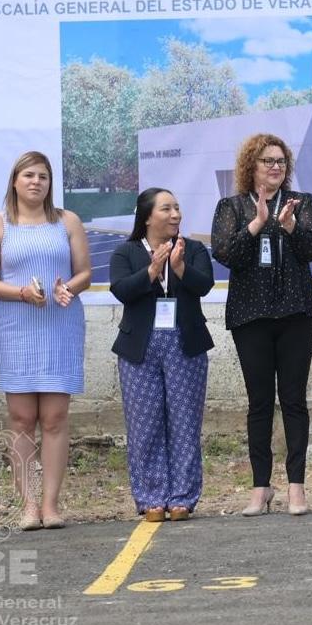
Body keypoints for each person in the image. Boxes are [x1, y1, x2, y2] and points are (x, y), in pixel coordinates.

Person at [211, 134, 312, 517]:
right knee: (259, 403)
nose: (275, 167)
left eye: (280, 161)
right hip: (251, 316)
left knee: (293, 400)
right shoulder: (231, 206)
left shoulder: (302, 203)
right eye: (266, 161)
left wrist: (290, 227)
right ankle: (261, 487)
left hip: (295, 313)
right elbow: (226, 253)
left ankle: (297, 486)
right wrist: (256, 225)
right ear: (251, 166)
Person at [0, 151, 91, 530]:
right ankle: (27, 505)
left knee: (55, 417)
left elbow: (85, 274)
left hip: (61, 326)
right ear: (14, 180)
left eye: (42, 176)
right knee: (22, 419)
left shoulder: (67, 221)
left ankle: (51, 505)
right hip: (17, 327)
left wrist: (67, 288)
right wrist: (21, 293)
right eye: (28, 175)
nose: (35, 182)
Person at [110, 188, 214, 522]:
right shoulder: (126, 252)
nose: (175, 215)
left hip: (185, 341)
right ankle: (151, 497)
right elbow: (121, 290)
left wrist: (179, 267)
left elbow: (204, 285)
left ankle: (182, 496)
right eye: (166, 209)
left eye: (177, 208)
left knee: (185, 422)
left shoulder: (193, 249)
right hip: (139, 346)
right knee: (145, 424)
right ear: (147, 216)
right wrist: (152, 271)